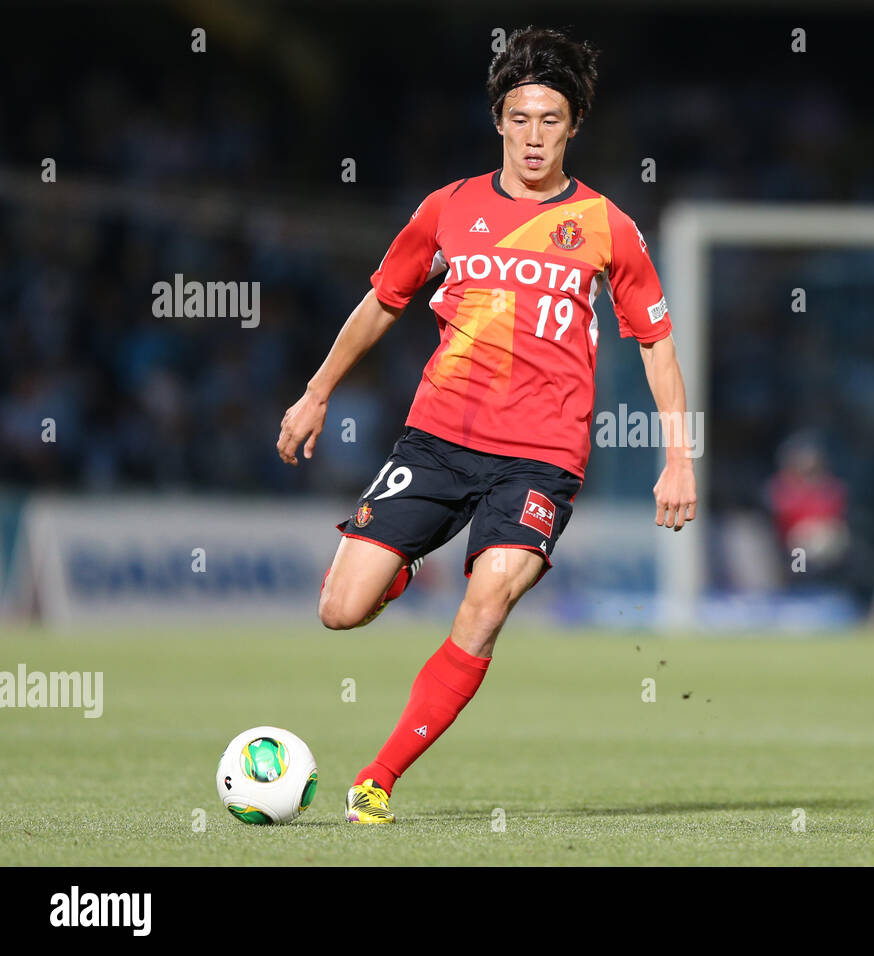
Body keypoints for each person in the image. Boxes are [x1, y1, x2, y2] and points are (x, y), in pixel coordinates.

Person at [275, 26, 696, 823]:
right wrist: (317, 391)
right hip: (437, 439)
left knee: (491, 594)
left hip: (541, 458)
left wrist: (679, 457)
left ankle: (378, 778)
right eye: (521, 118)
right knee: (342, 609)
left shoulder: (609, 227)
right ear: (498, 122)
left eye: (551, 120)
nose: (535, 136)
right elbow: (382, 303)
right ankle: (398, 572)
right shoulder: (447, 208)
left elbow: (659, 345)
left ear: (573, 128)